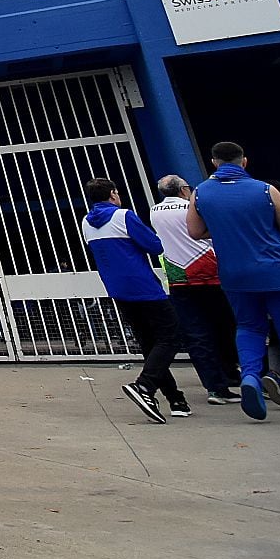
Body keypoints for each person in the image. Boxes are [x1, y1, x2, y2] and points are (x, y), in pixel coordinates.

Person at [188, 141, 280, 424]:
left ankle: (251, 376)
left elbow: (195, 231)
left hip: (234, 274)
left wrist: (224, 229)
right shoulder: (266, 190)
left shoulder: (200, 193)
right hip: (277, 272)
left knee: (249, 328)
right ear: (244, 162)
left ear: (214, 163)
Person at [81, 179, 189, 422]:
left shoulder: (86, 222)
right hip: (144, 286)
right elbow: (155, 246)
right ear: (113, 194)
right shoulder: (123, 216)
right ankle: (145, 386)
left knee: (150, 343)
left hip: (118, 289)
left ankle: (175, 398)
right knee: (171, 336)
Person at [148, 175, 239, 404]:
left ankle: (214, 387)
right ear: (184, 189)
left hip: (178, 277)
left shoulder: (154, 212)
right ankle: (233, 374)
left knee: (196, 334)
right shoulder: (193, 207)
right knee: (227, 328)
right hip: (210, 274)